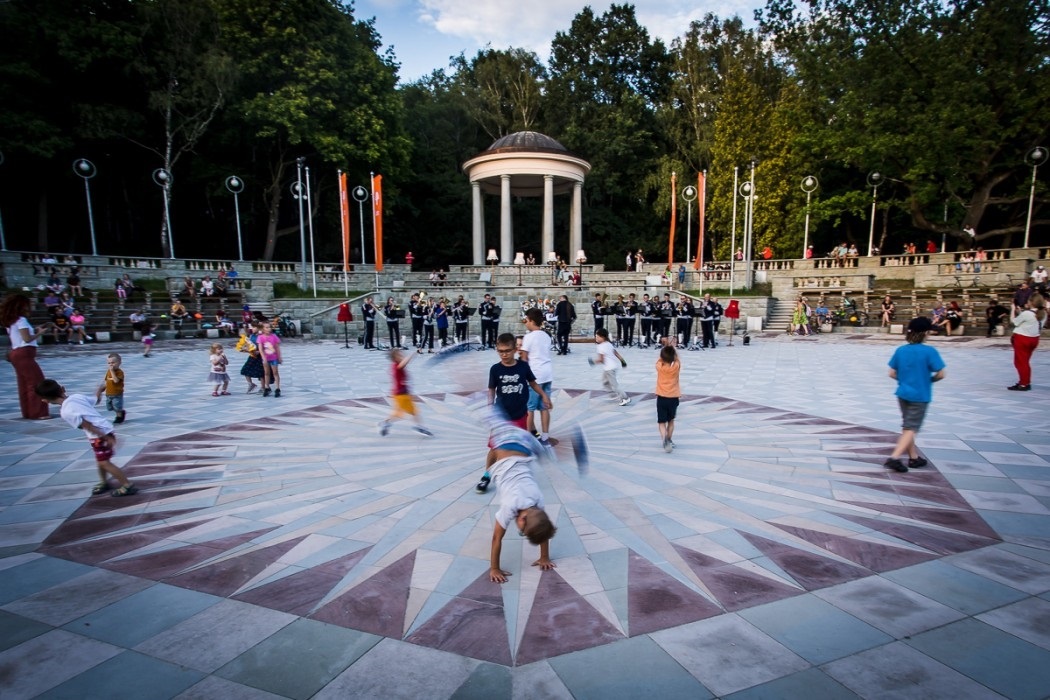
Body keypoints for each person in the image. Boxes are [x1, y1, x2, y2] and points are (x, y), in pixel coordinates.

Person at [482, 407, 557, 583]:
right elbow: (496, 538)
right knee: (492, 427)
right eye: (521, 530)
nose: (518, 528)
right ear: (521, 521)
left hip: (524, 447)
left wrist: (545, 557)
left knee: (500, 422)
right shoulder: (510, 506)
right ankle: (487, 473)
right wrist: (494, 568)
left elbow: (543, 527)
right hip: (504, 444)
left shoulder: (537, 499)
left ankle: (545, 447)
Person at [476, 333, 552, 494]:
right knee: (494, 448)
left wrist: (544, 395)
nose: (504, 354)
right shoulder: (495, 369)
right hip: (501, 417)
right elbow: (491, 390)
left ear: (515, 349)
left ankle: (520, 476)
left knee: (520, 447)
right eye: (500, 351)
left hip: (520, 415)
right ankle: (487, 475)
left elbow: (532, 383)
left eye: (507, 351)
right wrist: (490, 409)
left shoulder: (523, 367)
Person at [36, 378, 137, 497]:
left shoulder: (66, 411)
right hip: (105, 429)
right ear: (63, 389)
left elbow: (86, 425)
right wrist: (99, 390)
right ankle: (104, 482)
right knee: (101, 461)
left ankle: (127, 485)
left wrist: (105, 437)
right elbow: (95, 400)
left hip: (99, 435)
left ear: (45, 400)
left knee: (104, 462)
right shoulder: (76, 397)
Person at [884, 317, 946, 473]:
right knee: (911, 427)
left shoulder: (901, 350)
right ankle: (895, 457)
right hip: (920, 394)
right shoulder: (929, 351)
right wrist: (929, 380)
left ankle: (914, 457)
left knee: (907, 426)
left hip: (903, 392)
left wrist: (904, 380)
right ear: (926, 333)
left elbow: (892, 373)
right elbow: (941, 374)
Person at [1, 293, 51, 419]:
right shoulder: (21, 320)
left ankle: (28, 412)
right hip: (24, 353)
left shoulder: (12, 321)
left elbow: (20, 337)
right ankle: (38, 413)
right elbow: (27, 339)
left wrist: (34, 330)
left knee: (24, 383)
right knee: (36, 382)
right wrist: (40, 333)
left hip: (16, 353)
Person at [378, 349, 433, 437]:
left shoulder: (395, 366)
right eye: (399, 355)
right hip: (401, 395)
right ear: (395, 358)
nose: (402, 357)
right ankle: (418, 426)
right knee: (409, 412)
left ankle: (386, 423)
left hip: (402, 394)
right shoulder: (397, 366)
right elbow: (405, 363)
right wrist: (414, 353)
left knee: (403, 412)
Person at [520, 308, 554, 446]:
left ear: (532, 321)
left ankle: (529, 437)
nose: (525, 323)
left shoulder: (528, 337)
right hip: (547, 373)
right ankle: (545, 435)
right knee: (544, 407)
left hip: (535, 376)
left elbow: (524, 358)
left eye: (526, 320)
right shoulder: (546, 336)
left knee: (530, 408)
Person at [1008, 293, 1045, 391]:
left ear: (1031, 302)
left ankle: (1024, 383)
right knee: (1025, 362)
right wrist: (1021, 313)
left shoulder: (1027, 313)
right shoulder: (1043, 314)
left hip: (1022, 339)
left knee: (1020, 362)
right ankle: (1025, 382)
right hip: (1034, 338)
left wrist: (1012, 309)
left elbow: (1014, 322)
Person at [655, 338, 681, 452]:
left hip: (661, 397)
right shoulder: (676, 366)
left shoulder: (659, 367)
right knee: (671, 421)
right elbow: (676, 358)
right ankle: (669, 439)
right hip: (673, 397)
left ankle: (664, 439)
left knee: (661, 422)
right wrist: (672, 348)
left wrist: (666, 347)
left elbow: (660, 359)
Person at [591, 328, 629, 406]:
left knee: (614, 385)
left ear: (603, 337)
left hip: (609, 369)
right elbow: (615, 353)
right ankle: (614, 396)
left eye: (598, 337)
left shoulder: (600, 347)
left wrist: (593, 362)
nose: (596, 338)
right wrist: (622, 361)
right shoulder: (609, 343)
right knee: (605, 383)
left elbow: (601, 360)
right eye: (595, 337)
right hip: (612, 367)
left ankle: (625, 398)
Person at [94, 353, 126, 424]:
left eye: (113, 363)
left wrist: (112, 372)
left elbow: (116, 381)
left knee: (117, 406)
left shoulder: (120, 372)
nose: (111, 365)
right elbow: (108, 381)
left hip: (117, 393)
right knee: (110, 407)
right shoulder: (108, 372)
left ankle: (119, 417)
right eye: (109, 363)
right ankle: (120, 411)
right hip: (109, 393)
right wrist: (101, 388)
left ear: (119, 363)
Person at [257, 321, 282, 397]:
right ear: (263, 329)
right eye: (266, 327)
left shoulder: (274, 336)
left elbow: (277, 348)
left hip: (273, 357)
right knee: (266, 373)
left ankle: (277, 388)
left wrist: (279, 357)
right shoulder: (260, 337)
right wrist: (263, 358)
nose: (268, 329)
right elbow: (260, 349)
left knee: (275, 372)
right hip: (266, 358)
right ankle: (267, 387)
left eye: (269, 327)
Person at [236, 325, 263, 393]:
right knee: (245, 369)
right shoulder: (251, 336)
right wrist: (245, 349)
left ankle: (263, 387)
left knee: (261, 372)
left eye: (254, 327)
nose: (252, 328)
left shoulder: (261, 336)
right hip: (252, 355)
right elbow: (249, 345)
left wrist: (259, 351)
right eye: (251, 327)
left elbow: (264, 346)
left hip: (260, 356)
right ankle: (251, 384)